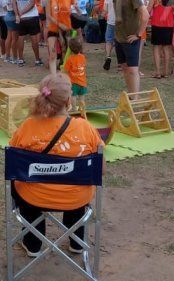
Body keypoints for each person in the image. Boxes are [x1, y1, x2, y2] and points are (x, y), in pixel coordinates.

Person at [8, 73, 104, 256]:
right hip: (75, 198)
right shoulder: (85, 128)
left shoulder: (28, 126)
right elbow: (101, 170)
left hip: (34, 196)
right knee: (76, 184)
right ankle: (77, 241)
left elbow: (14, 165)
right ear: (68, 101)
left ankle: (32, 243)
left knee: (24, 186)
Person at [110, 0, 147, 93]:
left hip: (131, 38)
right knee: (125, 68)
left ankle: (135, 98)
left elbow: (145, 15)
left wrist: (138, 34)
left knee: (133, 70)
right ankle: (131, 95)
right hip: (119, 37)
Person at [44, 0, 76, 74]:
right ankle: (53, 76)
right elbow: (48, 15)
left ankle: (64, 75)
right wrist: (59, 24)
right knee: (52, 53)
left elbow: (76, 8)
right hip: (53, 28)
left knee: (65, 52)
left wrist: (77, 8)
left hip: (66, 28)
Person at [13, 0, 43, 67]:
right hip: (32, 16)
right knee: (34, 38)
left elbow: (14, 2)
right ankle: (37, 59)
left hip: (22, 18)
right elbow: (32, 3)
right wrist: (21, 12)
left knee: (21, 37)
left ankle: (21, 59)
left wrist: (17, 14)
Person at [149, 0, 174, 79]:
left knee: (156, 48)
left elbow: (148, 9)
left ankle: (158, 72)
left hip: (157, 24)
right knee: (166, 48)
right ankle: (166, 72)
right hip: (169, 25)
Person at [62, 36, 88, 115]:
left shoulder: (70, 59)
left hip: (74, 83)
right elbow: (84, 66)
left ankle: (74, 109)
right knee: (81, 97)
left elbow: (65, 71)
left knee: (73, 96)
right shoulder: (83, 57)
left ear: (70, 49)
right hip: (83, 82)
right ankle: (82, 108)